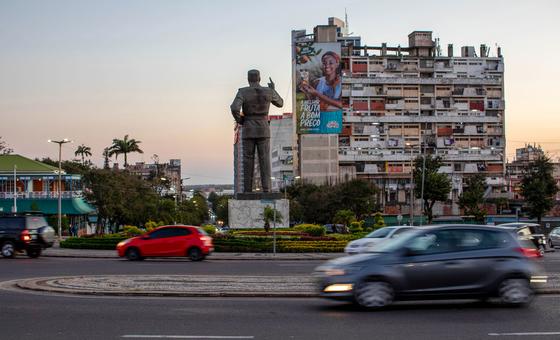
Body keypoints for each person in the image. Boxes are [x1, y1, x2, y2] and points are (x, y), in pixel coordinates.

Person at [230, 69, 284, 193]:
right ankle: (267, 189)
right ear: (259, 78)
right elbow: (280, 103)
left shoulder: (242, 92)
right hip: (263, 128)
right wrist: (273, 89)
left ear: (248, 79)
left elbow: (234, 108)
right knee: (264, 159)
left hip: (248, 128)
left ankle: (247, 190)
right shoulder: (268, 91)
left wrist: (241, 120)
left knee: (248, 160)